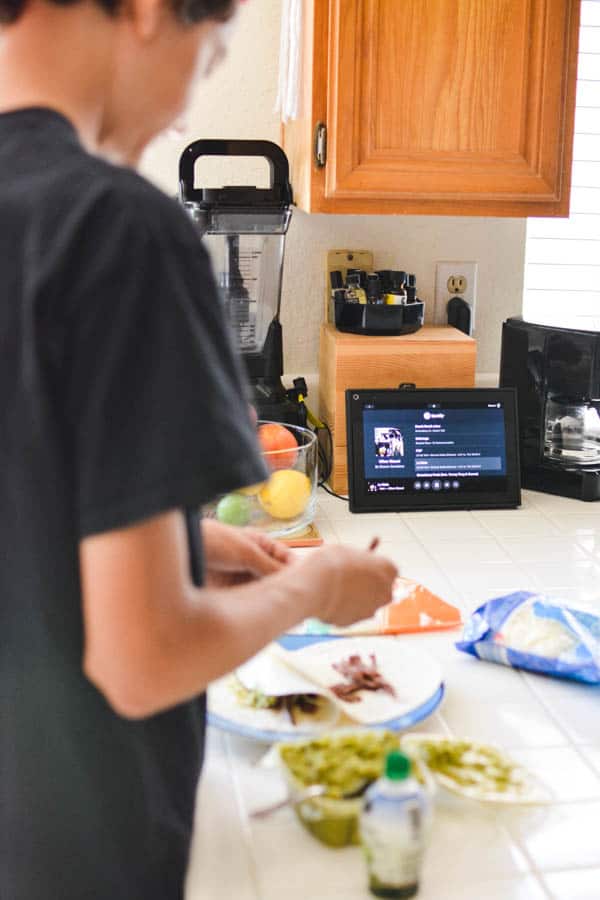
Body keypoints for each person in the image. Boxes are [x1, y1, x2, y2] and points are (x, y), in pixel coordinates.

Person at [0, 0, 398, 898]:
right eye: (210, 55)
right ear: (147, 11)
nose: (185, 109)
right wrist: (314, 586)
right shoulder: (115, 228)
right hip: (75, 849)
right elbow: (143, 661)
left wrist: (185, 543)